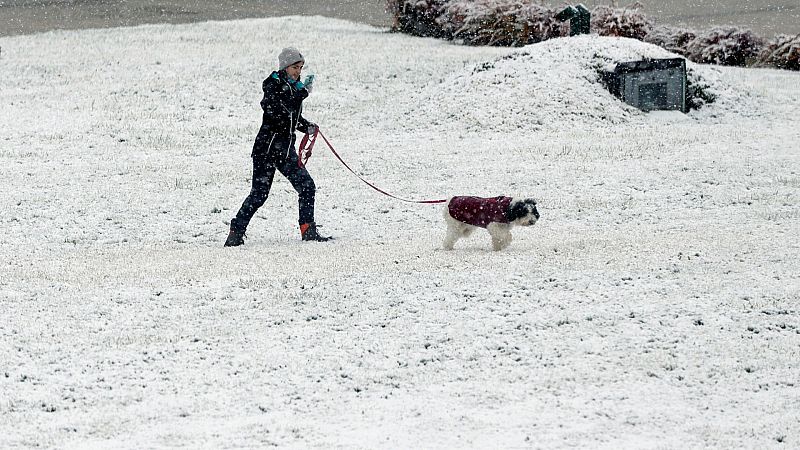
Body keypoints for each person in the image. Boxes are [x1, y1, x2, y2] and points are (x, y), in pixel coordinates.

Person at [225, 47, 332, 246]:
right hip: (267, 149)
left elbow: (292, 117)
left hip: (285, 150)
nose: (298, 72)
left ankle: (308, 229)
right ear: (284, 66)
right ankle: (236, 232)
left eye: (300, 67)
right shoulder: (272, 85)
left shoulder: (294, 88)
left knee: (307, 186)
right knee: (259, 194)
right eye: (294, 67)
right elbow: (277, 112)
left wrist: (306, 126)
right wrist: (300, 95)